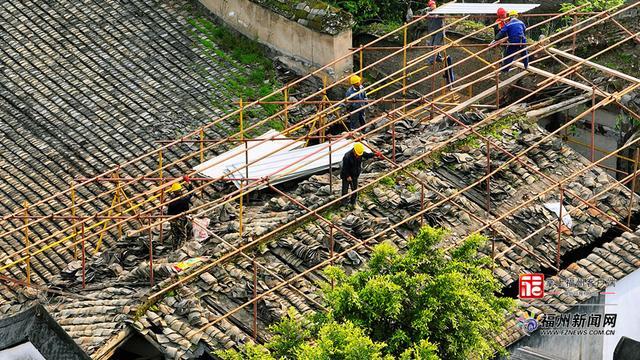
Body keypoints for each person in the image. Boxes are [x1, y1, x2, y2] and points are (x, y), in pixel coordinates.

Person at [340, 142, 381, 207]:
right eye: (357, 154)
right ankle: (343, 204)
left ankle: (353, 202)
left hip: (355, 174)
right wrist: (348, 176)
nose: (358, 156)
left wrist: (375, 154)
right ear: (354, 151)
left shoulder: (360, 152)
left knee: (355, 190)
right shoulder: (347, 156)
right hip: (346, 175)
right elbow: (345, 168)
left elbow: (367, 155)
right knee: (345, 190)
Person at [166, 176, 193, 249]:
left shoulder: (172, 201)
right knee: (182, 235)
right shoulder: (183, 199)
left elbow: (168, 212)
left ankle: (174, 249)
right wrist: (189, 182)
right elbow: (191, 193)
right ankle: (181, 249)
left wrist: (170, 219)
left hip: (173, 220)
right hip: (180, 219)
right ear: (180, 190)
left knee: (175, 235)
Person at [426, 0, 445, 65]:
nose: (433, 6)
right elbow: (425, 16)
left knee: (435, 45)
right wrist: (427, 14)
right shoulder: (429, 12)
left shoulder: (439, 11)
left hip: (439, 31)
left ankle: (432, 61)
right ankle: (438, 57)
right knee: (431, 45)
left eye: (433, 5)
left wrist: (438, 15)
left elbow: (443, 15)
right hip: (433, 31)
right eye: (431, 5)